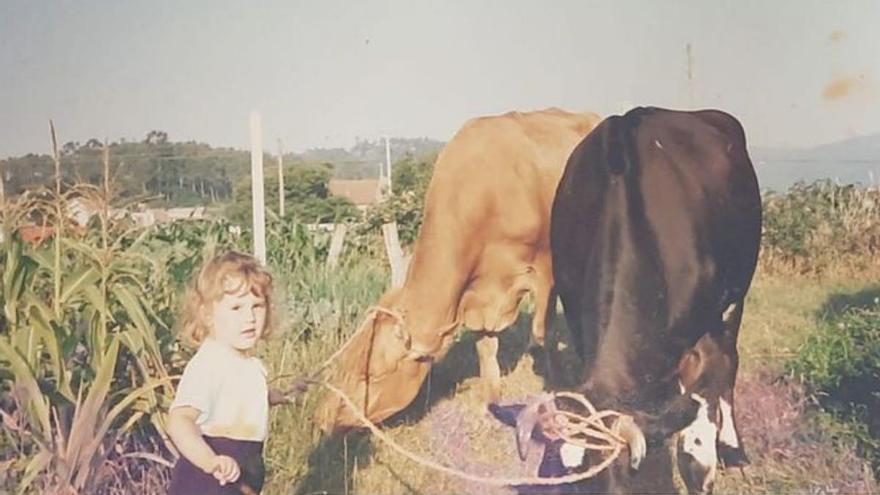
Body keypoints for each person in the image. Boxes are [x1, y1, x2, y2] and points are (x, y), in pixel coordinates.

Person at [167, 251, 288, 495]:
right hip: (209, 479)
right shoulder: (210, 363)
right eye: (236, 308)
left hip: (244, 471)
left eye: (257, 306)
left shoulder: (243, 362)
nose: (249, 318)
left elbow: (238, 400)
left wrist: (278, 395)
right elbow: (179, 421)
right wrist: (210, 461)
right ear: (207, 315)